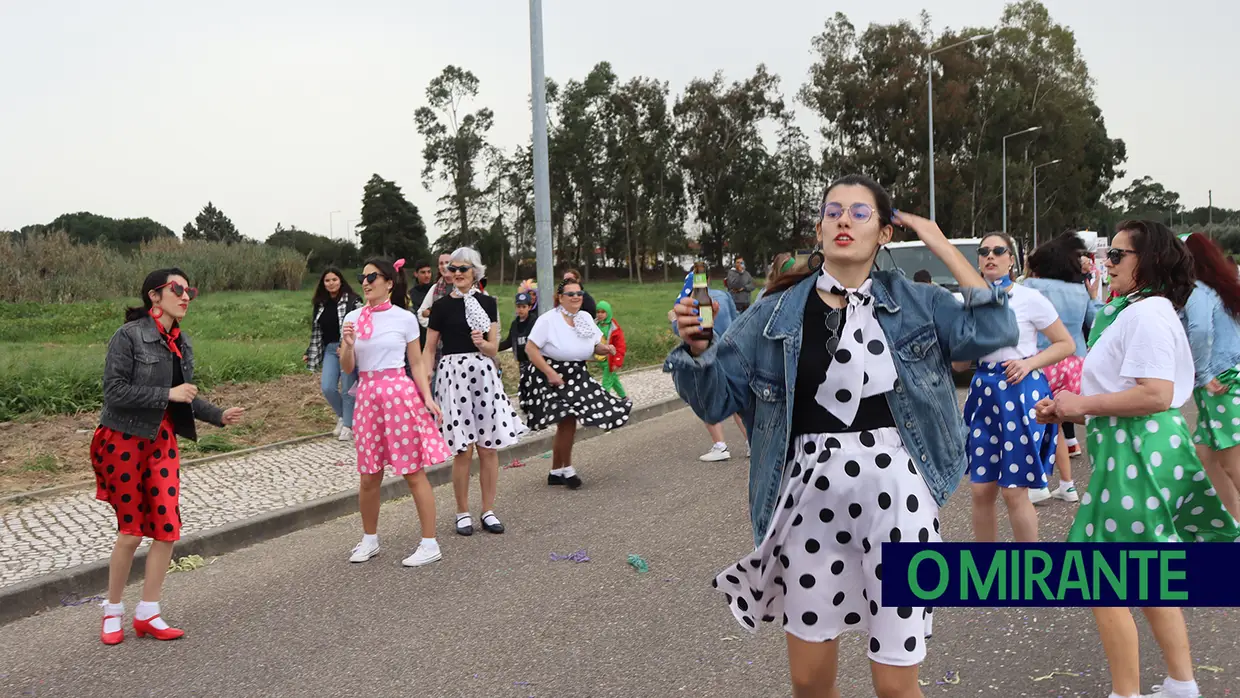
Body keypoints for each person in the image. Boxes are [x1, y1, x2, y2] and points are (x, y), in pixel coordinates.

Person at [667, 174, 1018, 698]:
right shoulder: (773, 314)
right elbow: (716, 399)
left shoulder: (919, 301)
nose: (843, 221)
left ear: (882, 232)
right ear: (818, 230)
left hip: (898, 495)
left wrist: (940, 244)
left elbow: (995, 331)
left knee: (896, 683)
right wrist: (696, 353)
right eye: (833, 212)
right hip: (809, 496)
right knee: (808, 682)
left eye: (859, 213)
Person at [1035, 220, 1239, 698]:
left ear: (1147, 262)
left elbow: (1155, 394)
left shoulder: (1145, 313)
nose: (1106, 264)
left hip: (1137, 453)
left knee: (1101, 576)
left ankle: (1127, 693)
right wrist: (1067, 409)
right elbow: (1132, 395)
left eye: (1117, 256)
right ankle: (1180, 684)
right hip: (1137, 447)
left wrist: (1077, 405)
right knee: (1146, 574)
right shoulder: (1143, 309)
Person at [93, 268, 245, 644]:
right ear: (154, 297)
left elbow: (186, 395)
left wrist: (218, 416)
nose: (186, 296)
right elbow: (114, 392)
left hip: (161, 443)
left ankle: (149, 612)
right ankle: (113, 612)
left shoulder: (181, 341)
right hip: (123, 441)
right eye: (177, 289)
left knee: (166, 529)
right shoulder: (128, 336)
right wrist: (167, 395)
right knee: (130, 532)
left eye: (188, 289)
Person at [957, 232, 1073, 543]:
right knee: (981, 489)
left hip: (1020, 392)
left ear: (1012, 259)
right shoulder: (969, 301)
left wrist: (1029, 364)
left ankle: (1029, 572)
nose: (990, 256)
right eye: (983, 251)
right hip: (984, 394)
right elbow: (958, 364)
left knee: (1013, 491)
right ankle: (986, 573)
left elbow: (1066, 343)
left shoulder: (1029, 298)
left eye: (998, 250)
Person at [340, 259, 451, 567]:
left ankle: (430, 543)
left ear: (389, 282)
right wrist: (348, 345)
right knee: (369, 474)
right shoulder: (352, 318)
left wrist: (427, 397)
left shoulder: (404, 319)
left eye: (371, 276)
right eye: (362, 277)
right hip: (366, 397)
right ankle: (369, 539)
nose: (365, 282)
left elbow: (416, 363)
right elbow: (348, 368)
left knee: (413, 471)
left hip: (398, 396)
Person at [425, 247, 527, 536]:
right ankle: (462, 511)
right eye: (453, 269)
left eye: (463, 269)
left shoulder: (487, 303)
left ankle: (488, 509)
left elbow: (494, 347)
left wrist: (482, 344)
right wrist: (426, 385)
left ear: (475, 273)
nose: (457, 273)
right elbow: (429, 348)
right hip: (453, 376)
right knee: (462, 449)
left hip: (482, 374)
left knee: (487, 447)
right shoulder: (442, 305)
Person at [523, 278, 631, 490]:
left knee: (567, 423)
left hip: (576, 374)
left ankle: (555, 471)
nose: (575, 297)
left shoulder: (584, 318)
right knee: (568, 420)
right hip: (550, 374)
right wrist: (550, 372)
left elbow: (593, 347)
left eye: (579, 294)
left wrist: (606, 349)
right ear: (560, 298)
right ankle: (568, 469)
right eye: (570, 294)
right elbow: (531, 349)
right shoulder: (548, 320)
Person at [1021, 233, 1095, 505]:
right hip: (1075, 362)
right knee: (1056, 421)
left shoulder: (1031, 286)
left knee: (1032, 421)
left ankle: (1037, 483)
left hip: (1043, 359)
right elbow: (1094, 320)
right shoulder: (1080, 290)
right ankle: (1067, 485)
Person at [1182, 232, 1240, 519]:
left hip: (1221, 383)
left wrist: (1202, 373)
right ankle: (1233, 529)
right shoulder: (1222, 287)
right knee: (1208, 458)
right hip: (1227, 380)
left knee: (1233, 464)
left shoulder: (1198, 292)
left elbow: (1201, 331)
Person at [672, 273, 749, 460]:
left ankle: (720, 445)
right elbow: (736, 319)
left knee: (706, 397)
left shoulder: (690, 301)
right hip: (730, 350)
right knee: (737, 399)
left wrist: (673, 320)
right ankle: (751, 441)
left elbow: (685, 331)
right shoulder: (724, 296)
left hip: (708, 354)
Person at [304, 267, 362, 441]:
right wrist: (309, 351)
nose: (331, 283)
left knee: (347, 389)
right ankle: (344, 416)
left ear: (341, 281)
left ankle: (348, 426)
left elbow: (362, 324)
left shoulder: (353, 300)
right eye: (327, 280)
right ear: (323, 283)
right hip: (330, 348)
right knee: (327, 387)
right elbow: (317, 330)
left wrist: (347, 345)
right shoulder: (320, 303)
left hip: (348, 348)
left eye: (334, 280)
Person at [594, 300, 627, 398]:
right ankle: (624, 397)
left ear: (608, 313)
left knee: (606, 383)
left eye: (603, 312)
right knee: (614, 379)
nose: (600, 314)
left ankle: (603, 401)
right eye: (598, 312)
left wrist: (617, 361)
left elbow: (620, 346)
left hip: (610, 360)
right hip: (600, 358)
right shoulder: (594, 324)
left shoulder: (614, 329)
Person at [407, 260, 435, 347]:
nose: (427, 275)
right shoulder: (411, 294)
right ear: (416, 274)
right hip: (418, 337)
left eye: (429, 272)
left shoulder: (437, 291)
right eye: (423, 272)